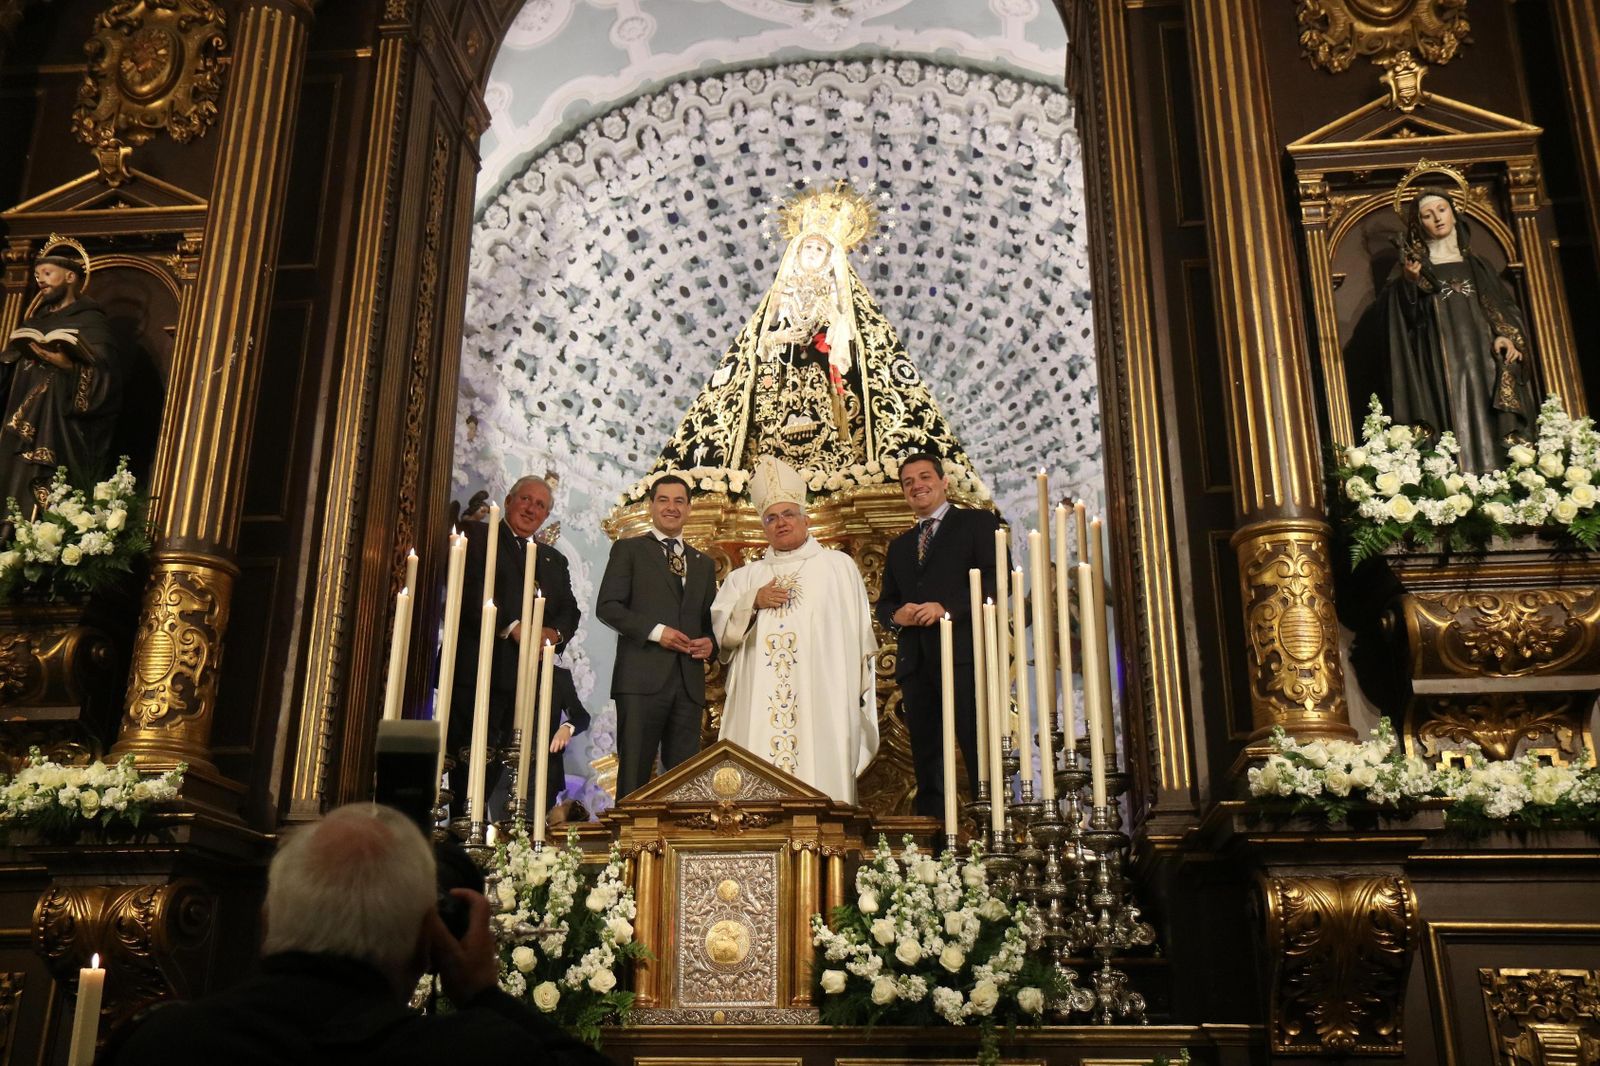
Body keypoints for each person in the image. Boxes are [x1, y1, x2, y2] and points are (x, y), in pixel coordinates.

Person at [103, 803, 613, 1066]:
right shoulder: (474, 1055)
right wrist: (481, 993)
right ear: (428, 942)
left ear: (266, 920)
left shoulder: (159, 1044)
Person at [711, 456, 877, 803]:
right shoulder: (744, 578)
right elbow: (722, 637)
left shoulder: (838, 567)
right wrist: (752, 602)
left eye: (788, 514)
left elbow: (856, 637)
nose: (781, 523)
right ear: (763, 526)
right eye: (771, 518)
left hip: (823, 695)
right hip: (759, 697)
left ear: (805, 519)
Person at [447, 476, 588, 821]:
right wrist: (513, 626)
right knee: (465, 762)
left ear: (546, 516)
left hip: (523, 685)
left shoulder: (554, 560)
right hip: (476, 672)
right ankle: (459, 831)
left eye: (540, 505)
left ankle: (477, 827)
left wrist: (552, 634)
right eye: (525, 499)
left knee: (499, 762)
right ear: (509, 501)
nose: (531, 508)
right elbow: (469, 588)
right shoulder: (477, 536)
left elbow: (570, 611)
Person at [877, 452, 999, 818]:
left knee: (979, 749)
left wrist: (946, 609)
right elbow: (886, 604)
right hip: (916, 664)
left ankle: (993, 830)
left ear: (944, 481)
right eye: (908, 482)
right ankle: (933, 839)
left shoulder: (977, 523)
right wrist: (897, 616)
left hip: (964, 657)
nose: (917, 485)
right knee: (927, 757)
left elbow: (998, 580)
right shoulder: (900, 546)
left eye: (924, 477)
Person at [1385, 190, 1536, 472]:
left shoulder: (1478, 265)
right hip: (1440, 359)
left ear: (1454, 214)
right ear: (1419, 224)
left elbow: (1502, 309)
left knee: (1491, 412)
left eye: (1441, 210)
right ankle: (1456, 477)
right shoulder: (1414, 267)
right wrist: (1409, 283)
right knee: (1450, 416)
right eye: (1427, 215)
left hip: (1485, 356)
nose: (1437, 218)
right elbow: (1404, 321)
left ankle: (1501, 474)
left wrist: (1505, 336)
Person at [596, 473, 718, 799]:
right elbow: (608, 607)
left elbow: (709, 622)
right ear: (651, 506)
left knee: (684, 783)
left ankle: (675, 835)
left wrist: (711, 643)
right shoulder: (629, 550)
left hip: (688, 685)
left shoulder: (703, 564)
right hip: (640, 682)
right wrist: (657, 632)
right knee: (634, 775)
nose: (671, 507)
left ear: (689, 509)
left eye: (679, 501)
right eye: (663, 500)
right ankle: (626, 834)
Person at [0, 237, 122, 513]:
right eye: (37, 276)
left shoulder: (91, 321)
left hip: (61, 424)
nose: (40, 281)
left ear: (70, 277)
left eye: (47, 273)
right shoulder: (35, 321)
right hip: (19, 418)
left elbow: (106, 379)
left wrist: (68, 367)